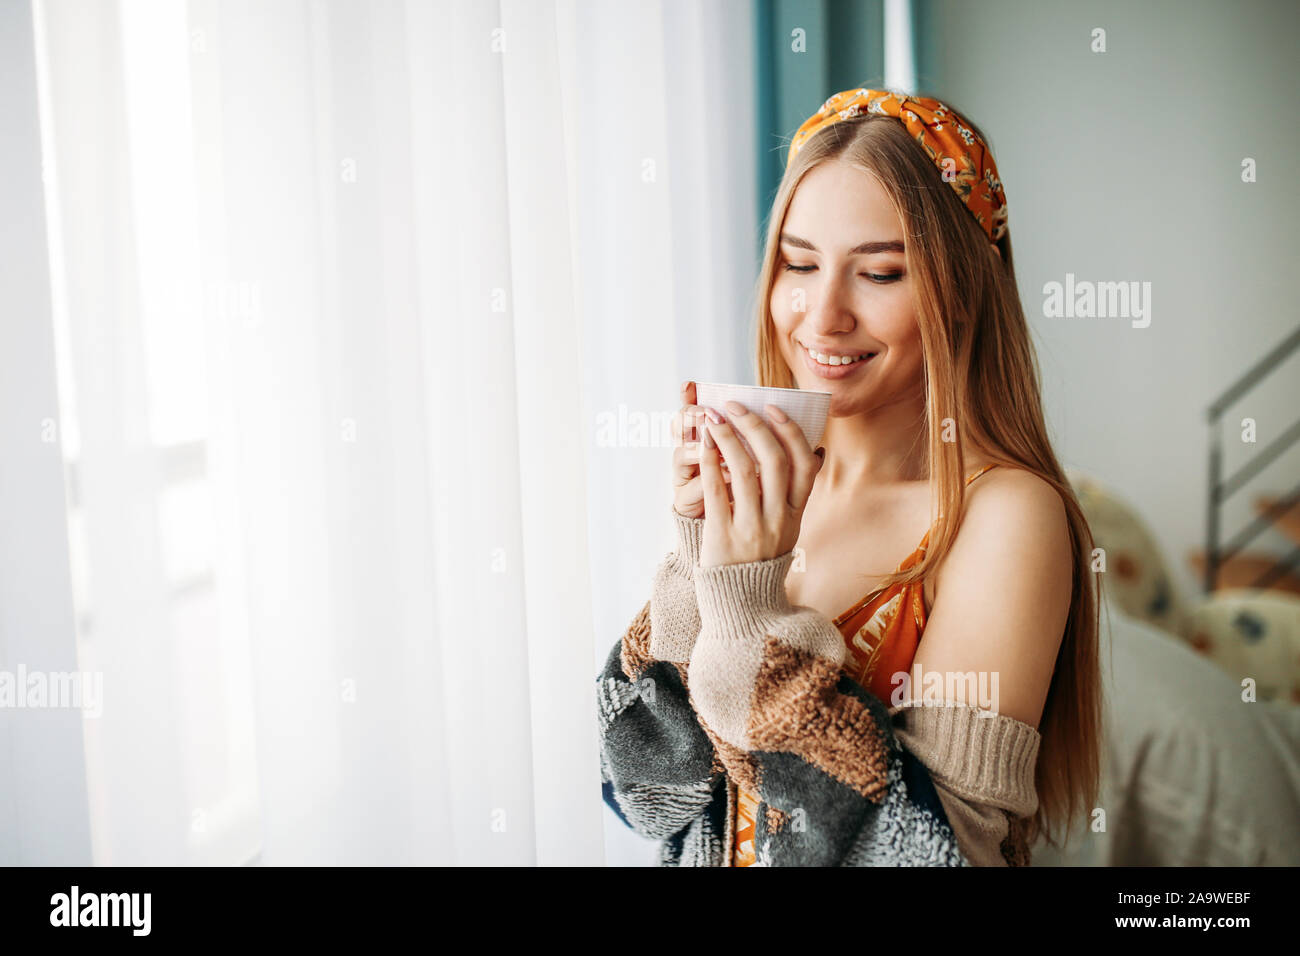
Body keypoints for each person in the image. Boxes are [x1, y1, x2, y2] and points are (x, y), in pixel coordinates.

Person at [597, 88, 1102, 866]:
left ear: (963, 292)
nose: (822, 314)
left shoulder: (1005, 516)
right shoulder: (766, 502)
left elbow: (928, 855)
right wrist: (698, 560)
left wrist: (745, 605)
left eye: (880, 273)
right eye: (798, 264)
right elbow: (649, 796)